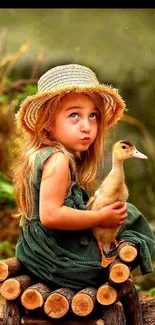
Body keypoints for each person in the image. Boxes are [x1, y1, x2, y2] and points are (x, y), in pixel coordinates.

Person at [12, 63, 155, 291]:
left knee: (127, 214)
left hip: (42, 252)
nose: (86, 126)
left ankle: (108, 247)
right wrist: (99, 218)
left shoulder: (47, 155)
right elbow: (51, 215)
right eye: (74, 115)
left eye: (93, 116)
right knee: (134, 224)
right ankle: (107, 257)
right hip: (58, 261)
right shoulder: (58, 160)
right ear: (48, 121)